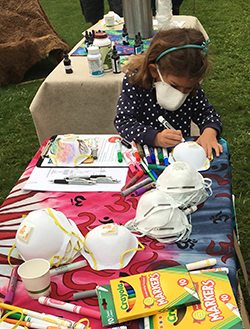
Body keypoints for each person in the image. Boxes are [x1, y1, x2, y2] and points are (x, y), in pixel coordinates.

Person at [114, 28, 223, 160]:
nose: (181, 93)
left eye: (187, 88)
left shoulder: (191, 86)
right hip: (145, 156)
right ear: (154, 71)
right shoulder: (135, 82)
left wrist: (210, 132)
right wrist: (155, 137)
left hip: (179, 158)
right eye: (174, 85)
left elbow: (207, 114)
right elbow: (123, 122)